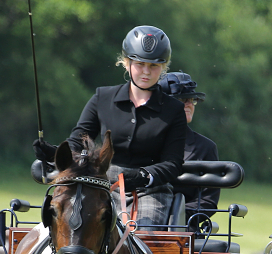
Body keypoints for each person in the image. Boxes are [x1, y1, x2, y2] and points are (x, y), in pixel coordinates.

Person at [33, 26, 187, 230]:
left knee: (141, 236)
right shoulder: (102, 98)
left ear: (164, 67)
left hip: (150, 191)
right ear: (127, 63)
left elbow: (173, 163)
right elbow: (78, 141)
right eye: (140, 64)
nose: (146, 72)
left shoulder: (174, 109)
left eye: (154, 66)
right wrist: (55, 153)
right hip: (101, 185)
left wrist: (143, 175)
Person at [160, 71, 219, 226]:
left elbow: (208, 200)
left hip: (184, 230)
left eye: (191, 100)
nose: (188, 104)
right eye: (181, 100)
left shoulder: (205, 147)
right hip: (138, 224)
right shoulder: (142, 141)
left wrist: (175, 216)